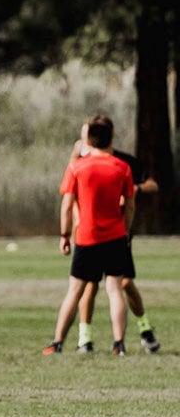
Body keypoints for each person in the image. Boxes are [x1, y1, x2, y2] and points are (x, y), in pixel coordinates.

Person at [43, 115, 134, 356]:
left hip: (86, 237)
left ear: (88, 139)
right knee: (114, 289)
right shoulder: (122, 167)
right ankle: (118, 344)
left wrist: (64, 235)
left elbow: (66, 205)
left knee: (75, 290)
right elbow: (131, 205)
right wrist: (124, 230)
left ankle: (58, 342)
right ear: (111, 137)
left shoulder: (76, 167)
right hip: (115, 235)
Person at [68, 124, 160, 353]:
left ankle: (144, 329)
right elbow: (72, 198)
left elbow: (152, 185)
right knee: (88, 285)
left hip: (116, 232)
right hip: (89, 233)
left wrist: (133, 189)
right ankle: (84, 338)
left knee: (124, 283)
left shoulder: (122, 163)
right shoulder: (79, 162)